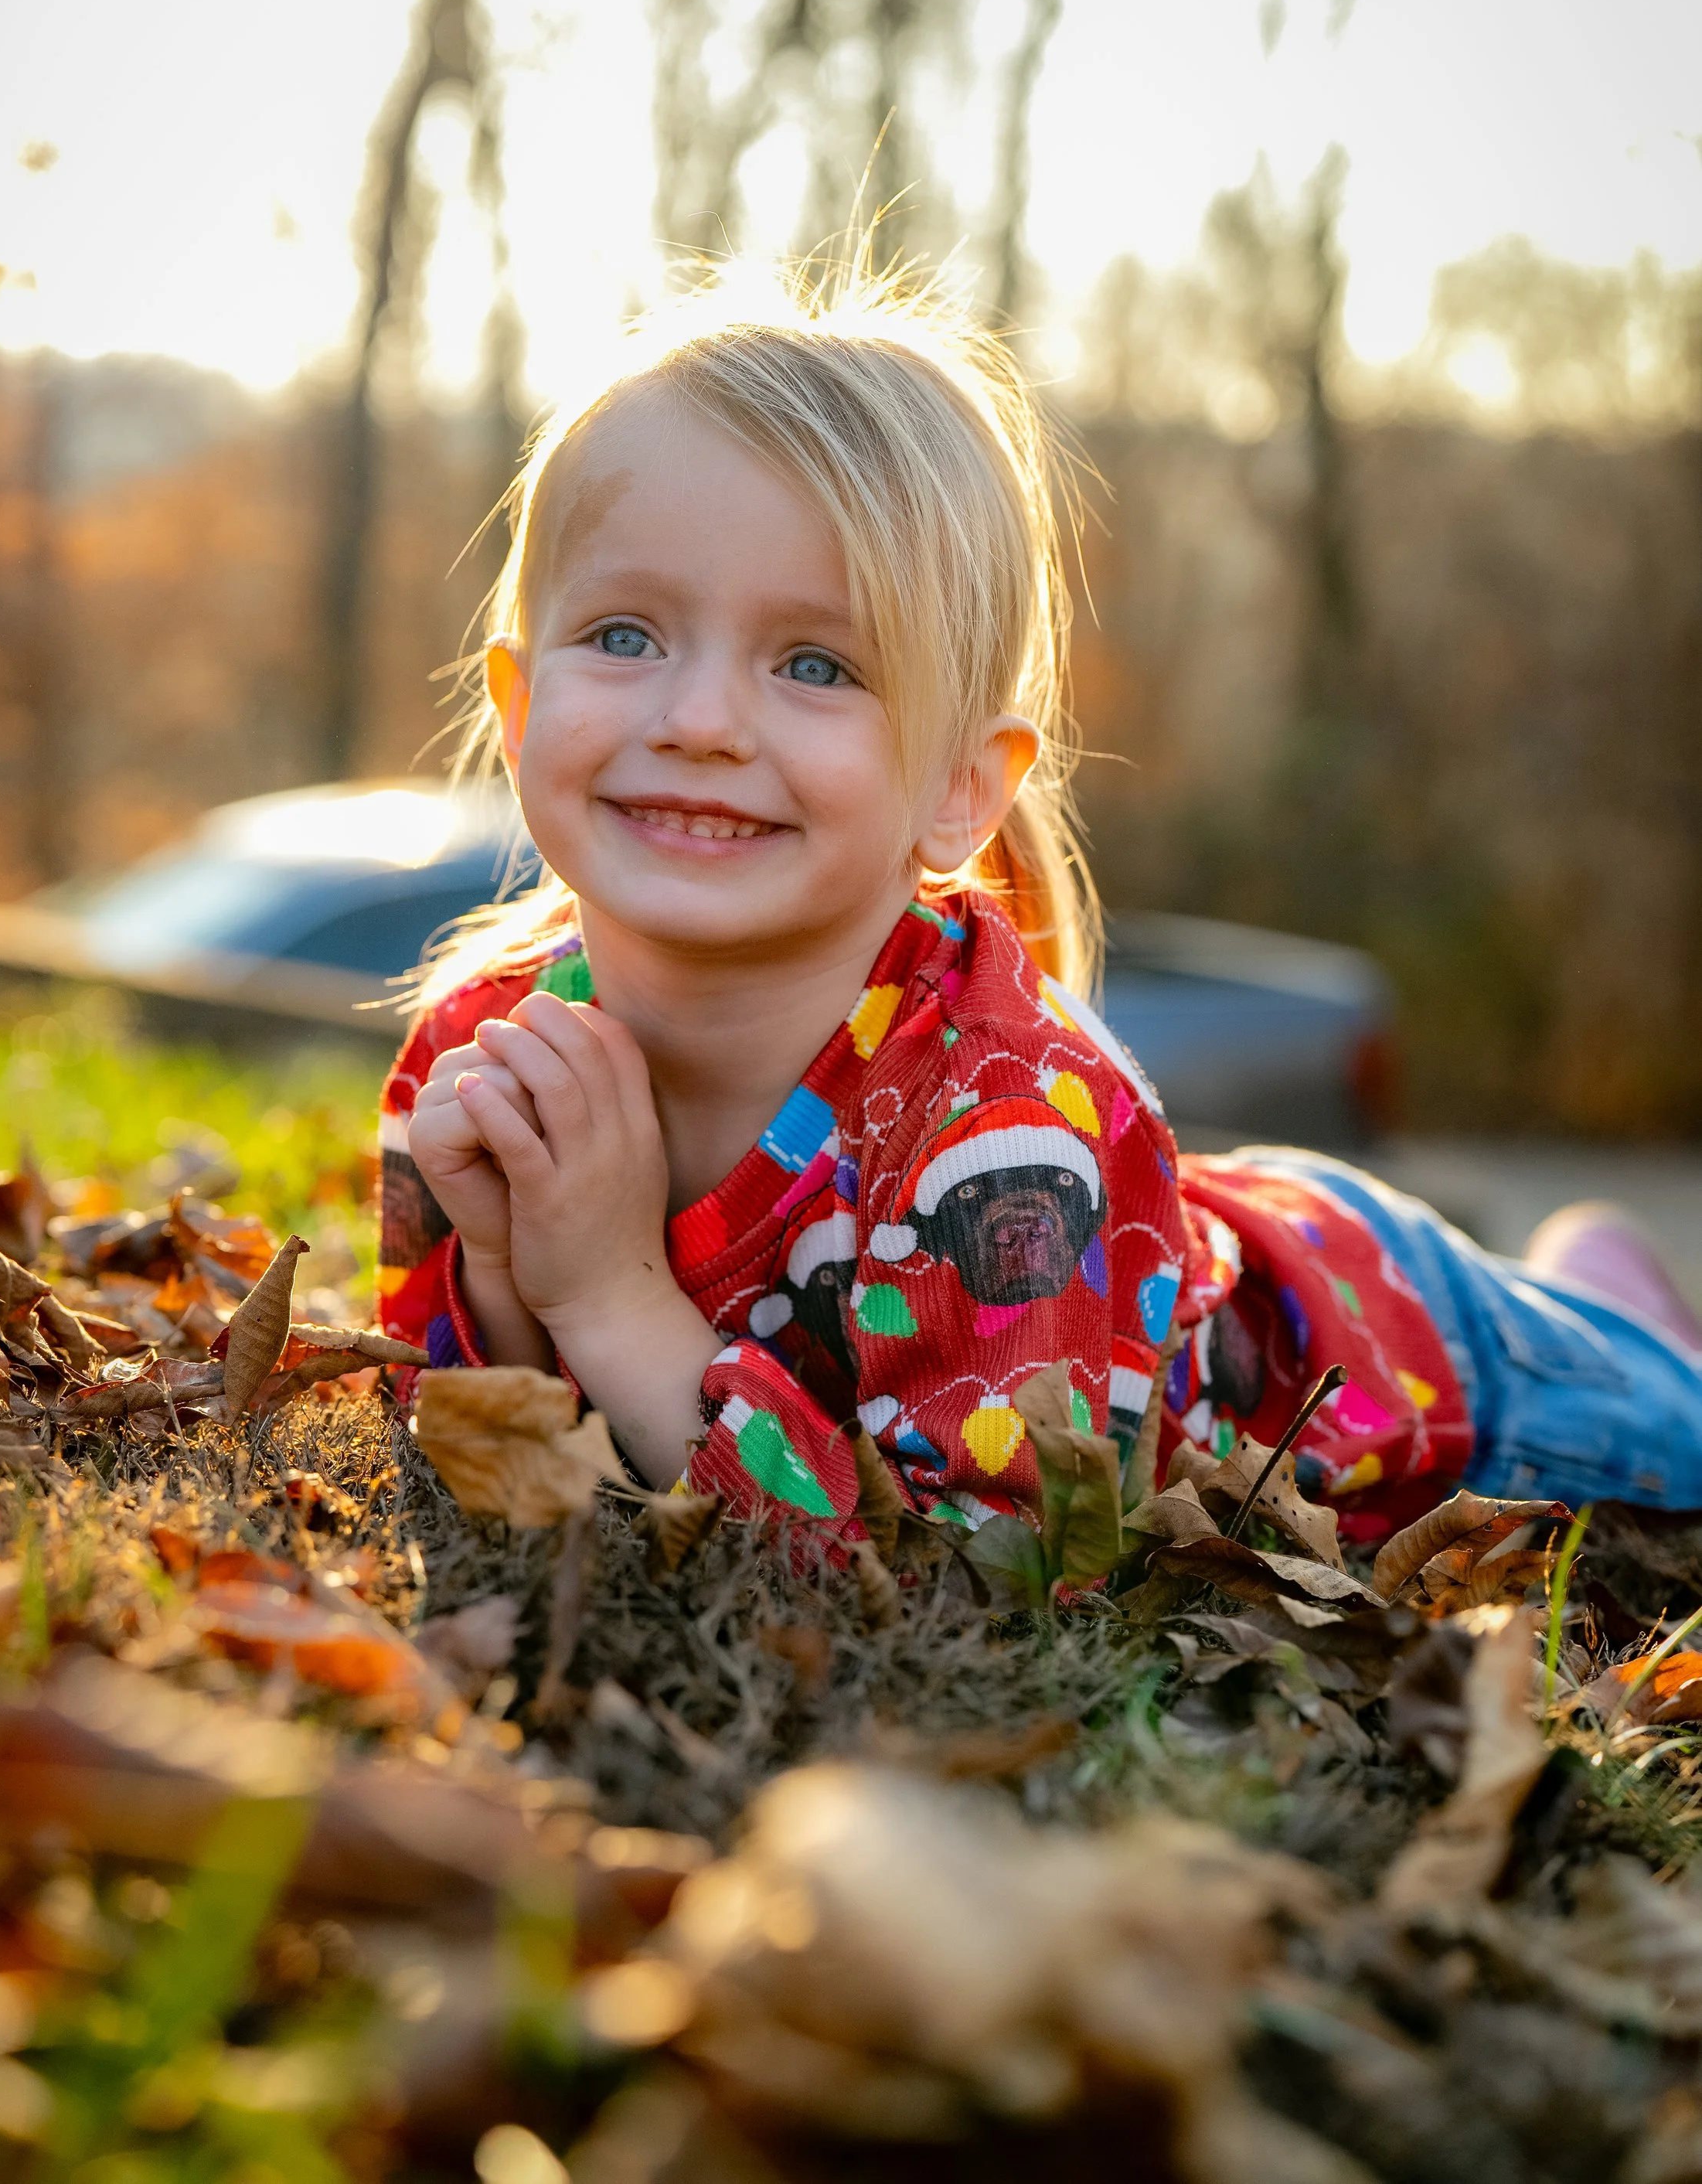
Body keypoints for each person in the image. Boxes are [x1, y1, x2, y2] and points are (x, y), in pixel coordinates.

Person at [375, 264, 1702, 1545]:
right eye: (625, 634)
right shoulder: (482, 1049)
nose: (702, 718)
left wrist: (611, 1291)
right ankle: (1594, 1278)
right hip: (1210, 1249)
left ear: (961, 788)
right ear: (520, 699)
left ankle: (1608, 1301)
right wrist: (505, 1274)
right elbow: (487, 1451)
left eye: (818, 662)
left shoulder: (1000, 1146)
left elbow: (986, 1576)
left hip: (1411, 1366)